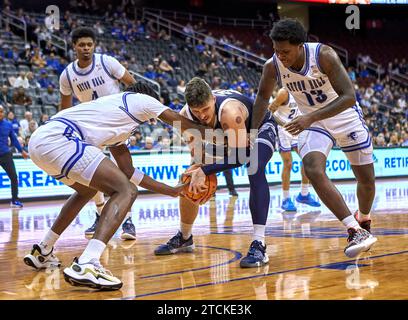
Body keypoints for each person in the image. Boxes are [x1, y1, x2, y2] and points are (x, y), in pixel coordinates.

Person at [23, 83, 215, 290]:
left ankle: (42, 250)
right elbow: (186, 125)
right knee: (125, 191)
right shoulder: (141, 99)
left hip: (40, 143)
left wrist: (171, 190)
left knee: (88, 190)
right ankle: (88, 262)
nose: (153, 114)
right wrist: (225, 131)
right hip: (61, 139)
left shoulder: (118, 120)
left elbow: (129, 171)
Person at [250, 18, 377, 258]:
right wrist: (252, 133)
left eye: (285, 51)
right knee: (312, 168)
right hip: (311, 120)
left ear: (300, 46)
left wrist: (310, 118)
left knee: (367, 180)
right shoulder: (272, 66)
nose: (280, 56)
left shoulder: (323, 55)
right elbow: (261, 99)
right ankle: (353, 229)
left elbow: (349, 96)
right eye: (276, 50)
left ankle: (364, 219)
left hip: (343, 116)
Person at [154, 78, 278, 268]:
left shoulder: (229, 112)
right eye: (196, 111)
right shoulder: (184, 117)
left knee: (254, 166)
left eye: (205, 109)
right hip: (224, 138)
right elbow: (198, 156)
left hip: (258, 128)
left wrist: (206, 169)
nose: (202, 116)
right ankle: (185, 237)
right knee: (190, 176)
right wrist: (198, 170)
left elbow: (242, 156)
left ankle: (259, 243)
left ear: (212, 99)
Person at [59, 27, 138, 240]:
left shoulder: (107, 62)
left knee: (123, 173)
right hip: (90, 126)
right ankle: (100, 212)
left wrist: (130, 115)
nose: (86, 48)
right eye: (81, 45)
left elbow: (134, 85)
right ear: (74, 46)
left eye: (89, 44)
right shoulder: (67, 74)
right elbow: (65, 108)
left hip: (115, 123)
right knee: (89, 174)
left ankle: (128, 220)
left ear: (94, 46)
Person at [270, 88, 320, 211]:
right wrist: (283, 124)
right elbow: (269, 112)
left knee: (307, 160)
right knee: (288, 164)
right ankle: (286, 199)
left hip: (297, 129)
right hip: (283, 130)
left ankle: (304, 194)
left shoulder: (305, 90)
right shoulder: (284, 93)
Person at [0, 105, 29, 208]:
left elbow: (14, 140)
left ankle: (15, 200)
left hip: (5, 155)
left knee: (14, 178)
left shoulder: (8, 125)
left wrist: (22, 151)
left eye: (2, 111)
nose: (1, 113)